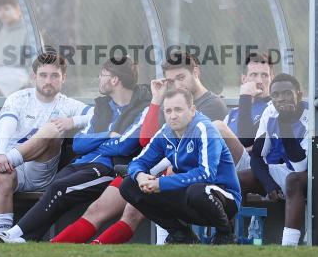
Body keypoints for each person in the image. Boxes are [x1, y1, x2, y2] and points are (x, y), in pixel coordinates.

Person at [56, 51, 228, 244]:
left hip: (183, 174)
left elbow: (196, 151)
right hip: (151, 168)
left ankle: (102, 247)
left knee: (132, 212)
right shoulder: (170, 103)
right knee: (98, 208)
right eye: (171, 81)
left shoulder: (213, 105)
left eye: (181, 78)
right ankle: (56, 247)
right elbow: (147, 140)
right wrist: (156, 100)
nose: (177, 85)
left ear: (195, 72)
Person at [0, 57, 151, 243]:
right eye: (43, 75)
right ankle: (22, 238)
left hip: (107, 169)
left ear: (114, 80)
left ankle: (13, 234)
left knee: (59, 188)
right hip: (81, 163)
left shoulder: (143, 108)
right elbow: (78, 144)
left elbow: (125, 145)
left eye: (102, 75)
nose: (99, 78)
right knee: (56, 188)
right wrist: (107, 135)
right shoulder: (102, 107)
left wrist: (103, 144)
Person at [0, 51, 91, 237]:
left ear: (63, 78)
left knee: (52, 129)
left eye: (54, 76)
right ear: (34, 77)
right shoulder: (17, 99)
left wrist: (71, 122)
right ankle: (2, 235)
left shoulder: (68, 104)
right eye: (43, 75)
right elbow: (5, 129)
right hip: (10, 170)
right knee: (4, 175)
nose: (48, 81)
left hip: (40, 173)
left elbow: (97, 114)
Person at [120, 88, 241, 245]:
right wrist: (140, 176)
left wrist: (161, 183)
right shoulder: (166, 132)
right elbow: (137, 162)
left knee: (197, 190)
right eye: (168, 111)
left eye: (178, 109)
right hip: (188, 195)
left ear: (192, 110)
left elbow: (206, 175)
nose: (173, 115)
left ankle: (225, 234)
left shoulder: (204, 129)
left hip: (222, 196)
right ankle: (181, 234)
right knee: (128, 185)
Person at [238, 73, 309, 247]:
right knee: (239, 179)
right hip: (288, 170)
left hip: (313, 174)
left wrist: (284, 124)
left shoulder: (310, 116)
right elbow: (257, 156)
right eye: (276, 95)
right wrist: (269, 184)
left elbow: (301, 166)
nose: (281, 99)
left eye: (287, 93)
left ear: (298, 95)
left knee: (293, 179)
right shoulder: (269, 111)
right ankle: (228, 235)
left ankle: (288, 245)